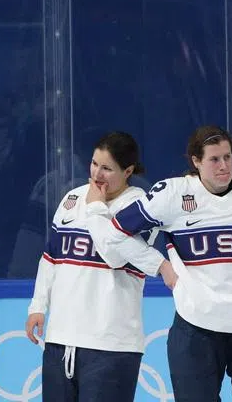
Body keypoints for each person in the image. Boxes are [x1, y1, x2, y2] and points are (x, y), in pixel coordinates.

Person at [88, 125, 232, 402]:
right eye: (214, 159)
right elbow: (116, 232)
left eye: (228, 157)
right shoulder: (172, 194)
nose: (224, 166)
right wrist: (160, 266)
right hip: (195, 330)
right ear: (196, 162)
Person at [25, 131, 171, 401]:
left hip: (111, 343)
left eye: (107, 168)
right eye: (94, 164)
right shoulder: (72, 199)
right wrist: (37, 306)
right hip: (61, 337)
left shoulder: (141, 205)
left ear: (128, 170)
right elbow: (51, 258)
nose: (97, 174)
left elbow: (113, 255)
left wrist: (95, 207)